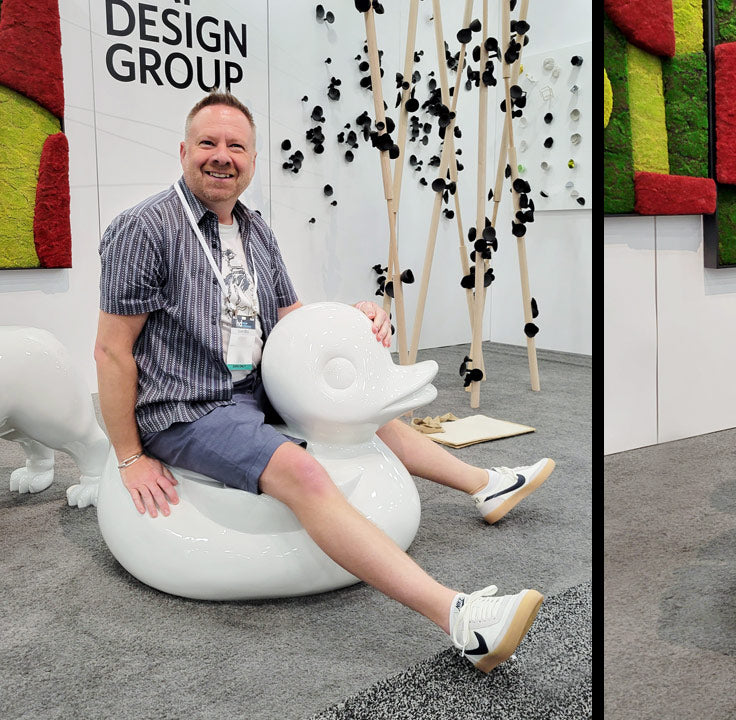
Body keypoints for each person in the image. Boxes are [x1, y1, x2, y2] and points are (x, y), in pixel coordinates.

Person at [95, 91, 555, 672]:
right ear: (183, 151)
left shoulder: (254, 229)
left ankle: (483, 483)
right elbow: (112, 350)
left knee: (359, 410)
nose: (221, 156)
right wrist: (129, 455)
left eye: (235, 146)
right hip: (189, 407)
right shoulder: (145, 229)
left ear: (253, 160)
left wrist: (353, 315)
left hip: (253, 386)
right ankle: (458, 617)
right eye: (208, 143)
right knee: (304, 470)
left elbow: (291, 320)